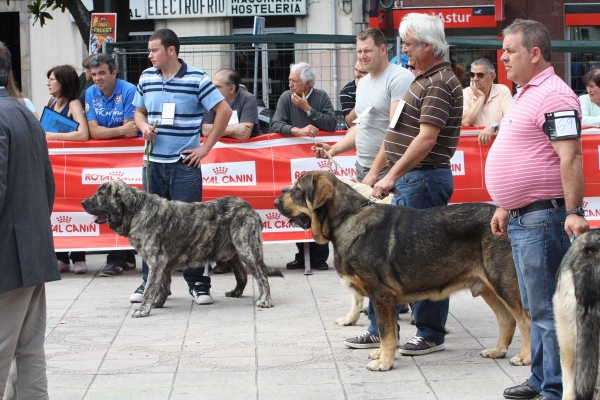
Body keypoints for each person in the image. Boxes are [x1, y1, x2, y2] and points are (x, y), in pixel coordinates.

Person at [486, 19, 589, 400]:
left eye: (510, 50)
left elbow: (571, 156)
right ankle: (540, 379)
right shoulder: (526, 92)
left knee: (546, 309)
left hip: (543, 218)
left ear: (535, 52)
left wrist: (574, 211)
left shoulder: (555, 96)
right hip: (522, 216)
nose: (503, 57)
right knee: (534, 305)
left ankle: (555, 387)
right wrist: (504, 204)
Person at [313, 28, 414, 348]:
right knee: (369, 258)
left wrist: (373, 174)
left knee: (388, 254)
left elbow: (396, 131)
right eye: (358, 52)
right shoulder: (364, 83)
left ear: (384, 49)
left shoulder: (398, 79)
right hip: (366, 174)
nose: (362, 57)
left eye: (368, 51)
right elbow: (362, 129)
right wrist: (332, 150)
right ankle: (380, 325)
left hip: (387, 176)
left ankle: (406, 326)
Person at [370, 13, 463, 356]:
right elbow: (401, 131)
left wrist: (392, 175)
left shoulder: (438, 82)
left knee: (425, 258)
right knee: (409, 257)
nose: (404, 49)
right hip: (414, 179)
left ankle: (430, 332)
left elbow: (426, 140)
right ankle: (399, 328)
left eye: (408, 44)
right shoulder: (424, 77)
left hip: (422, 179)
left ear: (427, 45)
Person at [131, 28, 231, 305]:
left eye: (154, 50)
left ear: (171, 50)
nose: (149, 55)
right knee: (149, 225)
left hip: (183, 164)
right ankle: (147, 283)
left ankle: (198, 283)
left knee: (191, 225)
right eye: (149, 50)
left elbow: (224, 110)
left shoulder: (197, 78)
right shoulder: (146, 77)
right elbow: (138, 112)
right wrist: (143, 128)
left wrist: (205, 147)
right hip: (152, 163)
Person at [0, 39, 61, 399]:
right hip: (30, 250)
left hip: (8, 258)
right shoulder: (24, 111)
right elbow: (47, 186)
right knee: (29, 352)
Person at [270, 62, 337, 271]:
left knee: (319, 205)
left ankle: (320, 256)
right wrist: (297, 131)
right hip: (293, 163)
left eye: (294, 80)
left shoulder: (321, 97)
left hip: (317, 162)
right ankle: (301, 254)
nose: (290, 83)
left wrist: (308, 110)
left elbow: (331, 124)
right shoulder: (284, 98)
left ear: (307, 83)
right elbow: (275, 124)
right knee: (298, 207)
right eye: (289, 79)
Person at [201, 68, 262, 275]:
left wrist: (220, 131)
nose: (213, 88)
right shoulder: (211, 99)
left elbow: (245, 134)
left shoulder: (247, 99)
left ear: (232, 88)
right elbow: (205, 129)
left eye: (217, 86)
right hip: (220, 164)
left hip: (247, 164)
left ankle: (250, 259)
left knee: (244, 213)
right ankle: (224, 259)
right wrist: (231, 130)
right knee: (221, 212)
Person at [84, 53, 139, 277]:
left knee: (123, 205)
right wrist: (117, 131)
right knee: (108, 205)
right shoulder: (89, 93)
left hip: (129, 157)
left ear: (114, 73)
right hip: (103, 159)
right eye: (94, 74)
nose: (97, 78)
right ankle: (123, 258)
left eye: (102, 73)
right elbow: (93, 131)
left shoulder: (129, 90)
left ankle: (118, 258)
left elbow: (132, 129)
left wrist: (109, 133)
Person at [45, 64, 90, 274]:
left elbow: (83, 133)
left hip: (71, 166)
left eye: (52, 79)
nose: (48, 83)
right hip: (53, 166)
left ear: (64, 82)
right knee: (56, 208)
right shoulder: (51, 102)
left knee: (73, 207)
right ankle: (60, 256)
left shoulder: (74, 104)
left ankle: (78, 255)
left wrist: (55, 136)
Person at [461, 58, 513, 145]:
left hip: (500, 145)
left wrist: (493, 126)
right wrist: (480, 98)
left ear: (492, 76)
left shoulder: (502, 90)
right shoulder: (465, 93)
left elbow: (510, 119)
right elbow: (465, 122)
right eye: (472, 74)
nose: (475, 78)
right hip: (474, 148)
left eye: (480, 75)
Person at [340, 60, 367, 128]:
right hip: (357, 131)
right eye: (355, 70)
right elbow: (351, 123)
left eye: (362, 72)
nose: (357, 74)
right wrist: (361, 92)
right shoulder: (347, 91)